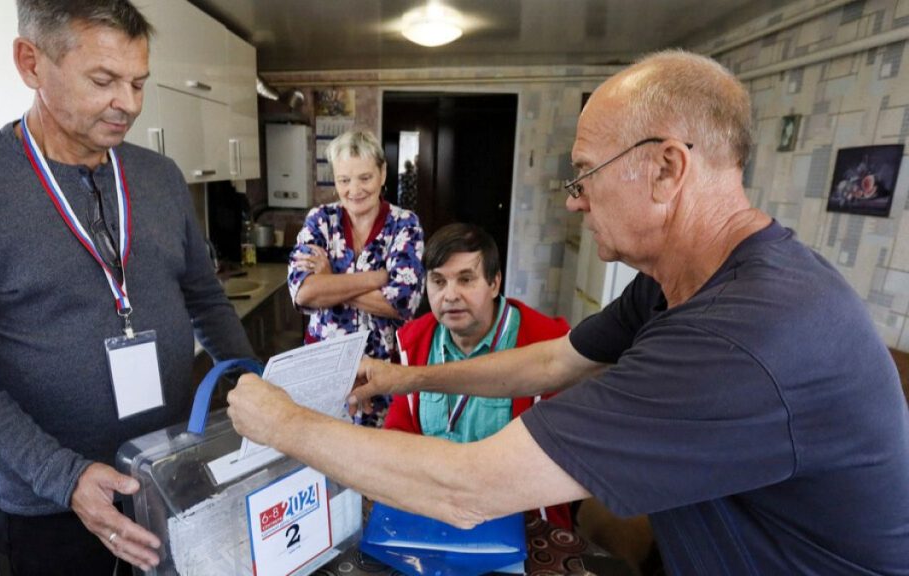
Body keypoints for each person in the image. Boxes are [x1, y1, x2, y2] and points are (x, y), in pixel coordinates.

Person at [227, 49, 909, 575]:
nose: (574, 199)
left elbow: (468, 489)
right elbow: (555, 359)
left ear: (667, 169)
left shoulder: (745, 336)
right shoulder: (684, 281)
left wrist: (284, 423)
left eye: (584, 173)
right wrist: (404, 377)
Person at [0, 1, 256, 574]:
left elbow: (205, 297)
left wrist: (247, 380)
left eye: (138, 82)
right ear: (31, 63)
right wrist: (62, 476)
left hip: (176, 478)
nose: (130, 104)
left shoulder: (159, 176)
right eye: (103, 81)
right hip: (52, 511)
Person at [383, 222, 575, 528]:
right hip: (434, 515)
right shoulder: (414, 344)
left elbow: (564, 460)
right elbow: (398, 437)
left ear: (495, 283)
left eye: (466, 279)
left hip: (520, 523)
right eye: (438, 281)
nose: (450, 295)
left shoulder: (547, 345)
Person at [288, 129, 424, 424]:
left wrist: (331, 280)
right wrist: (377, 278)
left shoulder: (405, 224)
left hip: (383, 372)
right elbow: (304, 293)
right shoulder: (320, 220)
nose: (355, 190)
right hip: (325, 369)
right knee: (322, 451)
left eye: (365, 178)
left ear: (382, 173)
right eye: (344, 180)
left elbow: (402, 303)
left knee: (379, 458)